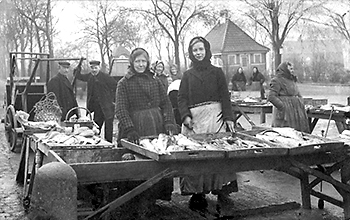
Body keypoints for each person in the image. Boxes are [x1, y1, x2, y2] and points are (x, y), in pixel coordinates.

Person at [178, 36, 237, 215]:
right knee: (195, 156)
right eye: (195, 50)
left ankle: (222, 190)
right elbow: (181, 98)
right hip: (195, 121)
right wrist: (185, 116)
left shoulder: (217, 72)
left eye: (201, 49)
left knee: (220, 154)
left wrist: (228, 118)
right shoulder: (187, 75)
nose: (198, 53)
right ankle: (197, 193)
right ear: (191, 53)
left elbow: (225, 97)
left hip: (216, 119)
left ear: (207, 51)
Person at [115, 47, 178, 218]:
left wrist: (169, 122)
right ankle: (133, 203)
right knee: (136, 163)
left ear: (148, 62)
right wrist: (130, 129)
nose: (141, 64)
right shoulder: (124, 83)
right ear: (132, 63)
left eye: (143, 61)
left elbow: (166, 104)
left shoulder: (155, 81)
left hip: (155, 125)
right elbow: (120, 109)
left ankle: (151, 201)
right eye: (137, 61)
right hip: (136, 127)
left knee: (157, 162)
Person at [73, 59, 117, 142]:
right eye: (92, 68)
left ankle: (108, 143)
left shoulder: (106, 77)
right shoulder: (89, 76)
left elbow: (116, 87)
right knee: (96, 127)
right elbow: (78, 76)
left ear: (99, 68)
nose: (93, 70)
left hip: (107, 107)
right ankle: (96, 142)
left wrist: (112, 99)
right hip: (97, 108)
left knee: (109, 128)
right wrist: (78, 66)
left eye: (95, 68)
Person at [268, 61, 310, 133]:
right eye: (290, 69)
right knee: (284, 134)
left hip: (296, 112)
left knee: (297, 133)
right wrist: (282, 107)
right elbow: (271, 96)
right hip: (284, 114)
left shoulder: (292, 80)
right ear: (285, 69)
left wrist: (301, 103)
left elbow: (297, 94)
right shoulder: (277, 80)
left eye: (292, 69)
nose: (292, 70)